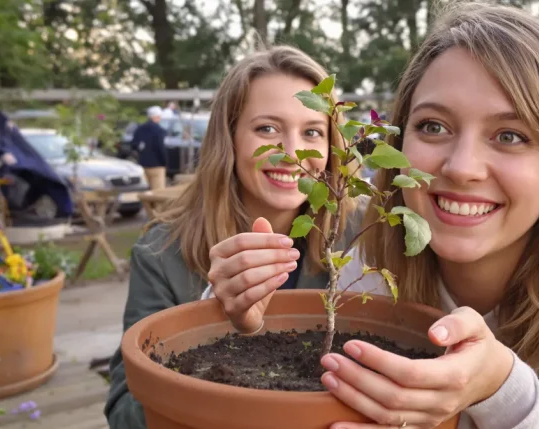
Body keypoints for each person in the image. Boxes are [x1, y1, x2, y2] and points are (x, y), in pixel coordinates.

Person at [208, 3, 539, 429]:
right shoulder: (375, 269)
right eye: (433, 126)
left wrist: (503, 391)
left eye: (510, 135)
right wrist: (242, 325)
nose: (462, 167)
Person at [103, 45, 363, 429]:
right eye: (267, 129)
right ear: (230, 138)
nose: (291, 153)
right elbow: (125, 412)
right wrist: (214, 320)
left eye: (312, 131)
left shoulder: (359, 235)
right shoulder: (162, 252)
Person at [132, 106, 168, 190]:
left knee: (145, 192)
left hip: (142, 165)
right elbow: (160, 148)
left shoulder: (139, 129)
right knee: (158, 192)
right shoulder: (159, 130)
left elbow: (134, 145)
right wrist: (164, 162)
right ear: (157, 116)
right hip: (157, 165)